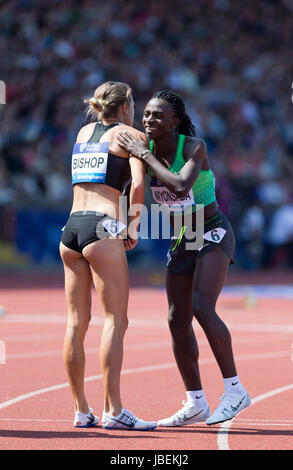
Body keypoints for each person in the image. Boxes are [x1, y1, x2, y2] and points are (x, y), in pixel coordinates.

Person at [117, 89, 251, 426]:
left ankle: (235, 391)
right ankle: (196, 402)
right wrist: (124, 221)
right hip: (182, 237)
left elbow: (178, 185)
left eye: (158, 115)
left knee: (203, 306)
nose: (149, 120)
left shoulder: (193, 147)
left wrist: (143, 158)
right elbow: (127, 187)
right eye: (146, 114)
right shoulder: (143, 150)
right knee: (177, 320)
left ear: (175, 120)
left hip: (211, 231)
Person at [60, 81, 156, 431]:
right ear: (126, 106)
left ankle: (81, 410)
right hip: (103, 228)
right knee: (116, 319)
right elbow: (139, 184)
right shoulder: (131, 135)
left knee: (76, 323)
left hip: (70, 229)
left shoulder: (84, 131)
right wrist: (133, 226)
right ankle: (113, 409)